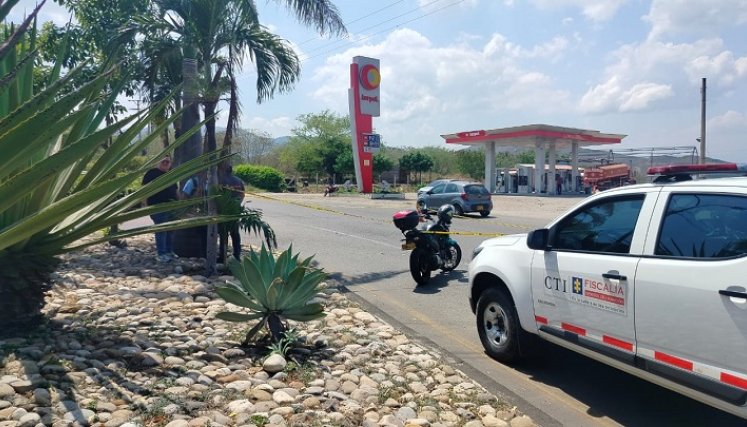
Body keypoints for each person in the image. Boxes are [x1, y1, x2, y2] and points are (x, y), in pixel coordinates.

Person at [142, 156, 178, 262]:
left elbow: (175, 190)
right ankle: (161, 254)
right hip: (157, 206)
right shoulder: (151, 173)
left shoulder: (171, 175)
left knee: (170, 230)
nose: (166, 163)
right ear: (159, 162)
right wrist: (144, 203)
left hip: (172, 206)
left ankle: (168, 251)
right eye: (164, 161)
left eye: (168, 161)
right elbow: (144, 189)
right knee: (161, 230)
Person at [218, 165, 245, 262]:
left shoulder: (220, 181)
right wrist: (237, 204)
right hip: (234, 212)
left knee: (223, 234)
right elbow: (243, 194)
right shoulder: (238, 180)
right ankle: (237, 255)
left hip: (223, 212)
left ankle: (222, 257)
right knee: (235, 234)